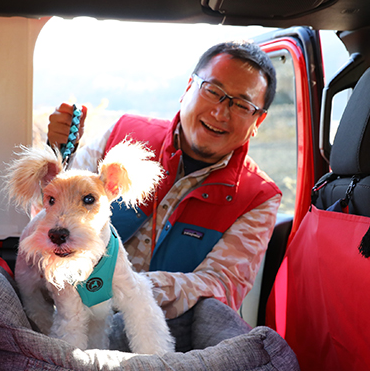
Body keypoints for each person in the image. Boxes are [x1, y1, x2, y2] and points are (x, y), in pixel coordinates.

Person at [47, 40, 281, 328]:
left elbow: (222, 286)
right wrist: (57, 150)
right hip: (69, 304)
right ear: (188, 89)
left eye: (242, 105)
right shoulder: (122, 135)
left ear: (258, 120)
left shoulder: (258, 196)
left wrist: (126, 288)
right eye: (213, 91)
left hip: (162, 328)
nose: (221, 113)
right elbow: (48, 216)